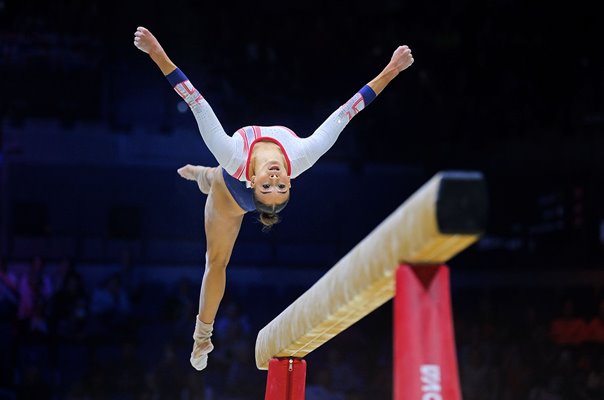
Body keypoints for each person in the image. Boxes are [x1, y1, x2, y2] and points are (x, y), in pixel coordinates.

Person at [133, 26, 414, 370]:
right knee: (214, 177)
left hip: (234, 194)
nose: (277, 180)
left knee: (216, 257)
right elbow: (349, 110)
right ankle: (203, 175)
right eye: (281, 187)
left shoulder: (233, 155)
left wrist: (155, 52)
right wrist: (393, 69)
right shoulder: (303, 156)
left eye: (269, 186)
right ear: (292, 184)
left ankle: (201, 336)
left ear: (254, 182)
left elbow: (193, 98)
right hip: (232, 180)